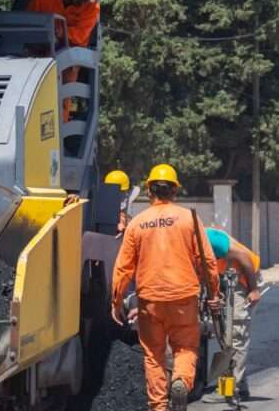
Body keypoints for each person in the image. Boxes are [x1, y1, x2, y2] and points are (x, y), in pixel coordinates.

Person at [112, 164, 220, 411]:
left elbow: (123, 268)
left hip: (149, 301)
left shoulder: (137, 223)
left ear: (149, 190)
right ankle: (181, 380)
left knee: (153, 355)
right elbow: (208, 262)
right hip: (184, 297)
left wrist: (116, 301)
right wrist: (214, 294)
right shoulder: (188, 219)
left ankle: (158, 406)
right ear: (174, 191)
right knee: (185, 347)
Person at [202, 227, 261, 402]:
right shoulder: (183, 243)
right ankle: (240, 387)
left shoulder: (208, 237)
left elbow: (243, 256)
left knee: (236, 333)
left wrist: (254, 288)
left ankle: (229, 390)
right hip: (225, 280)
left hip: (243, 279)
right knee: (226, 335)